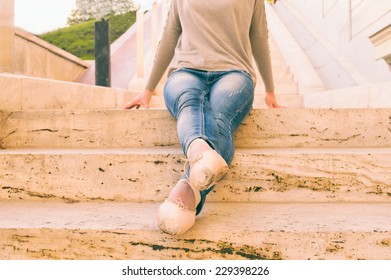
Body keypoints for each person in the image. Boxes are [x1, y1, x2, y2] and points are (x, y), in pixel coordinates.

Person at [123, 0, 284, 235]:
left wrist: (270, 90)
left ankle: (189, 189)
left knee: (219, 119)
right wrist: (147, 90)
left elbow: (259, 39)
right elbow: (168, 38)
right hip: (185, 71)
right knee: (189, 101)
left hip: (234, 72)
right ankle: (199, 153)